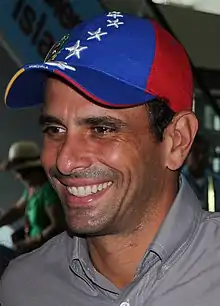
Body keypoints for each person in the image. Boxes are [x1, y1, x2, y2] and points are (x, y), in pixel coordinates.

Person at [1, 12, 220, 305]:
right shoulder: (23, 288)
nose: (65, 162)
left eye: (102, 129)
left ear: (177, 140)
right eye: (55, 128)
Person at [0, 141, 65, 255]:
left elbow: (59, 226)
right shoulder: (32, 189)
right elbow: (17, 210)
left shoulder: (48, 191)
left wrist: (31, 242)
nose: (17, 177)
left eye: (19, 172)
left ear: (29, 171)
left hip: (47, 253)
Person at [182, 134, 220, 212]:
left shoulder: (217, 183)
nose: (200, 157)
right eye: (196, 153)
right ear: (187, 154)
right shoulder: (178, 182)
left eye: (203, 152)